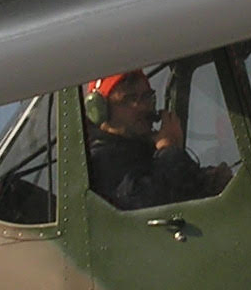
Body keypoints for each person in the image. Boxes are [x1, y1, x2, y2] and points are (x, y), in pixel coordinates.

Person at [83, 68, 227, 210]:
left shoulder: (146, 150)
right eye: (130, 99)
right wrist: (168, 148)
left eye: (146, 96)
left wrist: (210, 181)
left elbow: (183, 191)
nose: (142, 107)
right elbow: (145, 204)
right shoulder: (98, 162)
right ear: (100, 109)